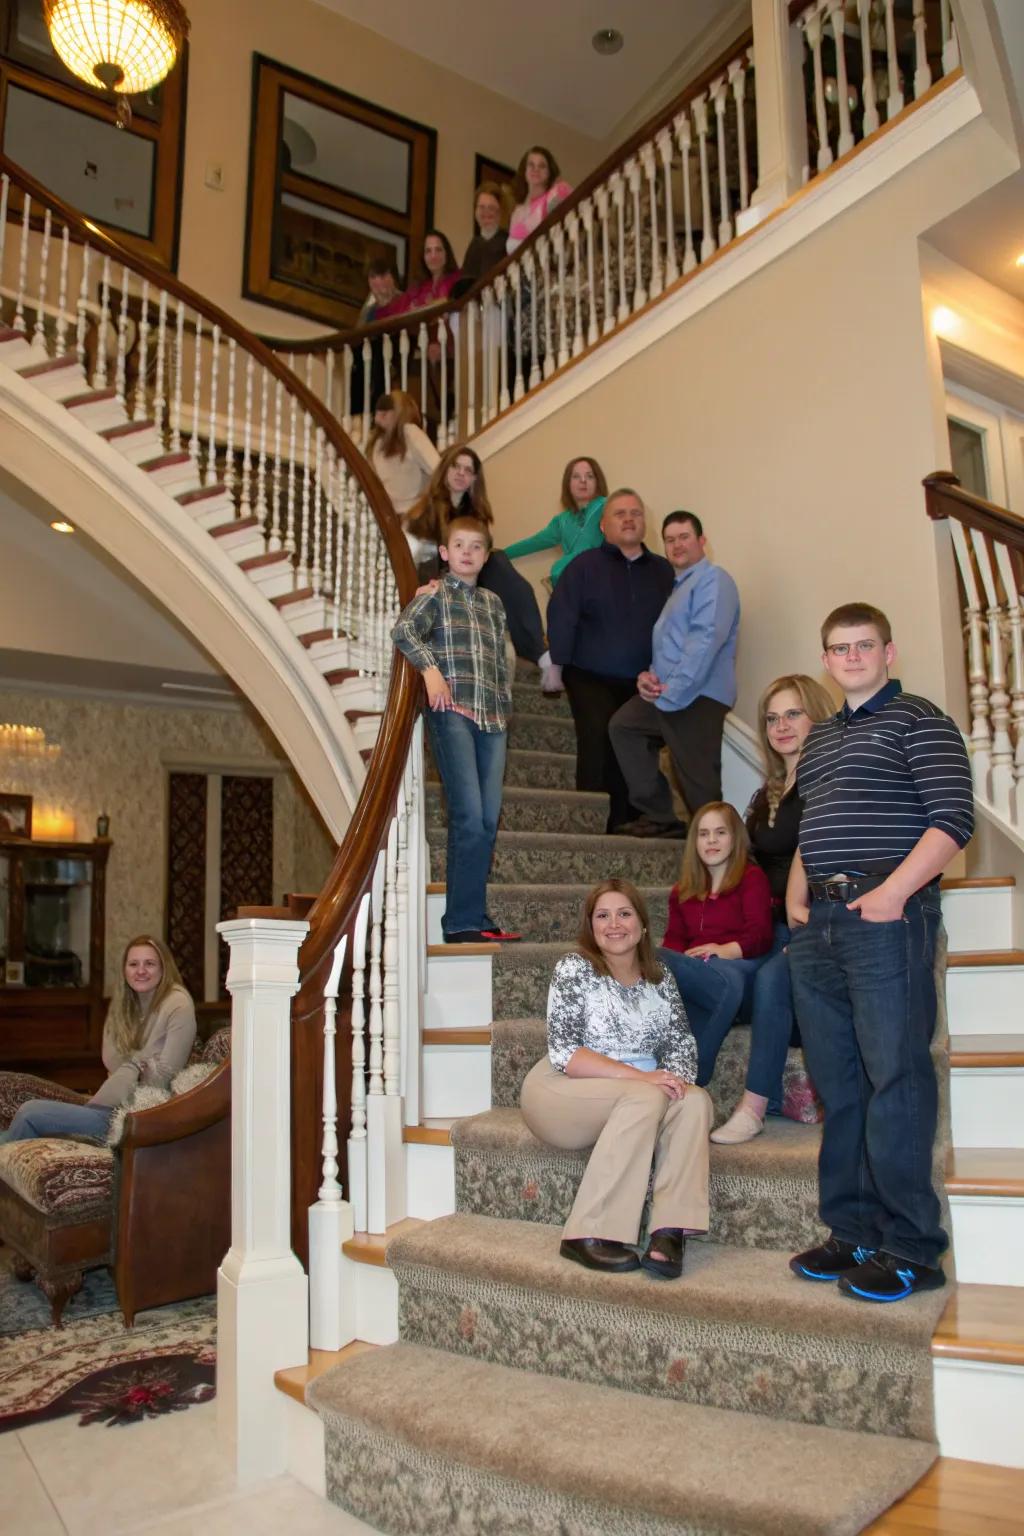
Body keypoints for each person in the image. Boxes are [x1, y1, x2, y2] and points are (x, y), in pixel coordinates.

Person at [787, 602, 974, 1302]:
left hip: (887, 918)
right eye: (840, 649)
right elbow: (813, 825)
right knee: (841, 1087)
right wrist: (797, 901)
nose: (853, 657)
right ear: (826, 660)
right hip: (823, 927)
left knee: (896, 1078)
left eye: (865, 645)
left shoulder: (920, 720)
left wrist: (894, 893)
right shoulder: (820, 740)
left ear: (889, 652)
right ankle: (854, 1231)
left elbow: (953, 819)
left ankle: (912, 1248)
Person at [520, 879, 712, 1279]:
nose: (613, 924)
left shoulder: (660, 977)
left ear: (642, 925)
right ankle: (587, 1233)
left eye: (624, 914)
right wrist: (642, 1079)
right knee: (646, 1096)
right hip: (564, 1090)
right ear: (591, 926)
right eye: (602, 916)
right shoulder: (574, 968)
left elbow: (680, 1043)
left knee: (694, 1101)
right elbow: (566, 1052)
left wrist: (673, 1081)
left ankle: (668, 1231)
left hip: (635, 1094)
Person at [710, 673, 837, 1144]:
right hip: (771, 929)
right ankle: (682, 1087)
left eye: (792, 714)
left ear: (817, 718)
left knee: (771, 980)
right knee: (712, 974)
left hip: (816, 927)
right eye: (771, 718)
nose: (780, 726)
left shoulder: (831, 783)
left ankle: (754, 1107)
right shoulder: (769, 792)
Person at [392, 516, 518, 944]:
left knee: (486, 821)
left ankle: (474, 913)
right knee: (467, 815)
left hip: (493, 717)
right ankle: (461, 920)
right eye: (459, 545)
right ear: (445, 553)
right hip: (453, 712)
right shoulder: (436, 594)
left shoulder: (493, 603)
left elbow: (500, 658)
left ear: (486, 555)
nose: (467, 552)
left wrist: (505, 702)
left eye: (476, 546)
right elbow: (404, 629)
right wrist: (430, 671)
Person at [547, 490, 674, 831]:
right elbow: (562, 615)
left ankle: (630, 818)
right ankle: (590, 821)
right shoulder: (583, 566)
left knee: (632, 740)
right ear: (603, 526)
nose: (628, 519)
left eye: (635, 513)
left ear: (644, 522)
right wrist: (556, 665)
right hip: (589, 673)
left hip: (644, 680)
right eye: (620, 513)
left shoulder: (664, 571)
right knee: (600, 734)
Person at [609, 512, 740, 839]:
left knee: (699, 785)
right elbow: (670, 649)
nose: (677, 545)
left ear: (702, 541)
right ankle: (660, 815)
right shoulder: (679, 588)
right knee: (624, 727)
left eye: (684, 537)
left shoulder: (714, 580)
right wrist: (649, 678)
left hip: (698, 696)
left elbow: (705, 641)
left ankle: (730, 858)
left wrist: (673, 691)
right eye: (670, 540)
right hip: (668, 693)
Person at [0, 935, 196, 1144]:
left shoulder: (178, 1003)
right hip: (108, 1106)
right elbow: (111, 1060)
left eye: (149, 964)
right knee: (10, 1132)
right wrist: (137, 1068)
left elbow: (164, 1076)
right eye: (133, 964)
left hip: (134, 1117)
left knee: (30, 1113)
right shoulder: (123, 1002)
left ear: (164, 968)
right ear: (124, 970)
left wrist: (131, 1068)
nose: (141, 971)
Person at [405, 444, 557, 686]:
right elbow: (418, 559)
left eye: (468, 470)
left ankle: (540, 653)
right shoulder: (424, 511)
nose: (461, 473)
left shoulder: (477, 515)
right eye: (456, 466)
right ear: (445, 470)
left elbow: (482, 560)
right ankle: (538, 652)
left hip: (472, 581)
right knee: (495, 560)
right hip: (437, 580)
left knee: (499, 561)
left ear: (474, 479)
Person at [657, 804, 774, 1095]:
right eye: (703, 834)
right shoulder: (682, 891)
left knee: (725, 976)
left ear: (735, 838)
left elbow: (760, 936)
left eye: (720, 833)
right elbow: (674, 941)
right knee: (658, 960)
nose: (711, 840)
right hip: (700, 974)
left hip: (742, 970)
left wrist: (722, 950)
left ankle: (693, 1072)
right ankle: (676, 1075)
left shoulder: (751, 878)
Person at [504, 456, 609, 586]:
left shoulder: (609, 506)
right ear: (568, 484)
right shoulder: (561, 521)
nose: (583, 480)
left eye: (590, 476)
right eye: (576, 476)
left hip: (602, 581)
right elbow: (534, 542)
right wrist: (501, 554)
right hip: (569, 585)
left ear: (597, 481)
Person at [366, 391, 440, 519]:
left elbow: (439, 470)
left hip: (410, 514)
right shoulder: (377, 443)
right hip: (393, 516)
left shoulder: (409, 433)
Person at [506, 147, 573, 253]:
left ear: (549, 172)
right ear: (524, 171)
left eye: (542, 166)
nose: (536, 169)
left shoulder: (554, 194)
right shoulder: (517, 211)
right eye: (531, 165)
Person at [399, 230, 462, 311]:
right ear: (423, 256)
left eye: (438, 249)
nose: (433, 256)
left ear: (447, 253)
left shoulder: (459, 280)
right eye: (428, 251)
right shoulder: (417, 288)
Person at [461, 182, 510, 283]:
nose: (486, 212)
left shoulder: (508, 243)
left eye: (491, 208)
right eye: (481, 207)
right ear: (475, 211)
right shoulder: (474, 244)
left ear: (500, 212)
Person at [357, 258, 404, 325]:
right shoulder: (368, 311)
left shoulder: (405, 301)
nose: (378, 281)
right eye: (373, 277)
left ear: (393, 279)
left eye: (383, 276)